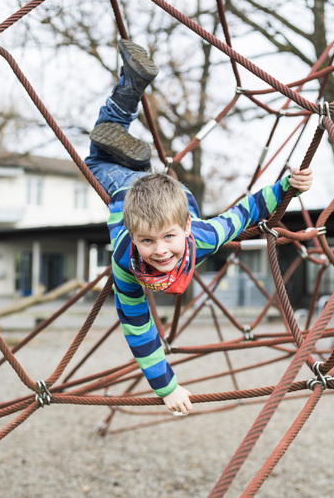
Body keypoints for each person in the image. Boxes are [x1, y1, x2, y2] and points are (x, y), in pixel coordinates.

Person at [84, 40, 313, 416]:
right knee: (96, 160)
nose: (159, 251)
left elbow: (246, 211)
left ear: (187, 230)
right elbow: (139, 332)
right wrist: (167, 388)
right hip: (128, 196)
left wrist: (288, 186)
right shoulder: (127, 264)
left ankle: (133, 131)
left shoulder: (201, 235)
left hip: (166, 201)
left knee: (101, 156)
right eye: (146, 242)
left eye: (168, 239)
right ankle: (134, 151)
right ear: (134, 239)